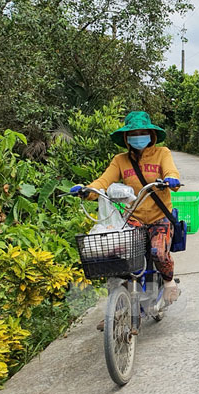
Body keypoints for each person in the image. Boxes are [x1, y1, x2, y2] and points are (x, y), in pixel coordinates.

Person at [71, 111, 182, 309]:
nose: (138, 136)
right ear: (126, 138)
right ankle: (117, 309)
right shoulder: (120, 160)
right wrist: (87, 191)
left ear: (151, 134)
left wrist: (171, 180)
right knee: (118, 254)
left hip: (159, 217)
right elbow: (104, 182)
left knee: (158, 252)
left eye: (142, 132)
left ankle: (168, 282)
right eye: (133, 133)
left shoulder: (162, 153)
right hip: (133, 218)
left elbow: (170, 171)